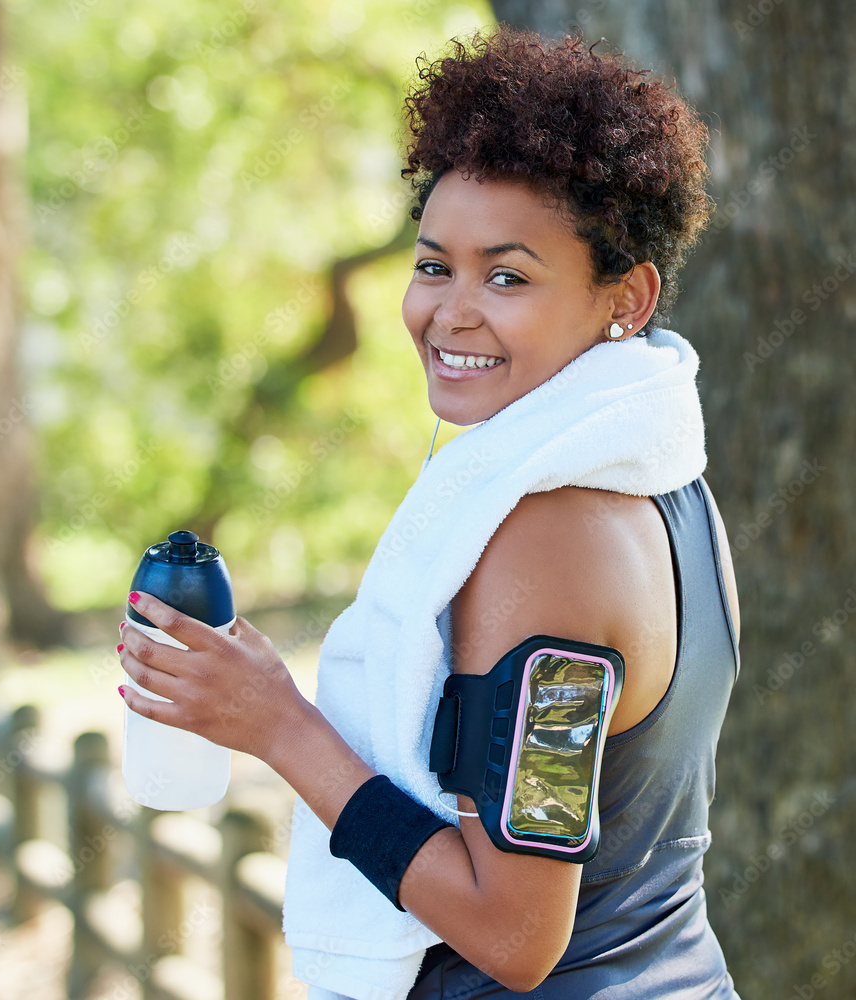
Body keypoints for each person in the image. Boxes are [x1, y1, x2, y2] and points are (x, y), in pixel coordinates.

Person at [117, 23, 742, 999]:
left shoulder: (555, 539)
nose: (450, 311)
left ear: (625, 297)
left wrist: (279, 726)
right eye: (431, 264)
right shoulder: (669, 487)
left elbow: (515, 930)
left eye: (507, 275)